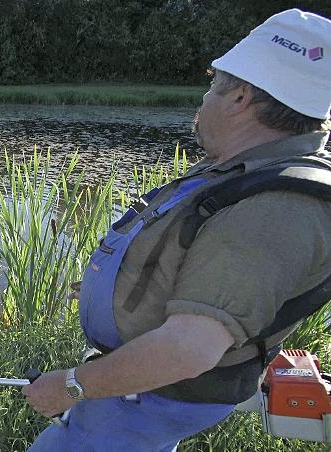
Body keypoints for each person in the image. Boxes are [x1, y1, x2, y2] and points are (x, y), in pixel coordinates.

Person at [21, 9, 331, 451]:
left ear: (240, 98)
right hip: (136, 394)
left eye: (211, 86)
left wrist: (70, 386)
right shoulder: (246, 168)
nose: (203, 100)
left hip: (150, 399)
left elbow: (187, 349)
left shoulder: (276, 208)